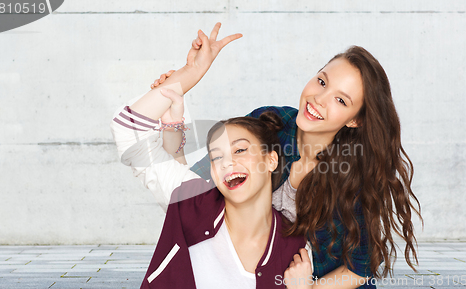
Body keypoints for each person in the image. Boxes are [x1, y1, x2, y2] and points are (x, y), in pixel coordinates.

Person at [151, 23, 423, 288]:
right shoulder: (271, 123)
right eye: (321, 81)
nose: (319, 98)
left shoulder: (353, 174)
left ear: (355, 121)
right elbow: (192, 189)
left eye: (341, 100)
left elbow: (360, 268)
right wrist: (185, 82)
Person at [110, 85, 307, 289]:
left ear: (271, 160)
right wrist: (188, 74)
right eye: (216, 156)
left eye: (239, 149)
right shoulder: (191, 202)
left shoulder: (297, 249)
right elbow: (129, 131)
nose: (226, 162)